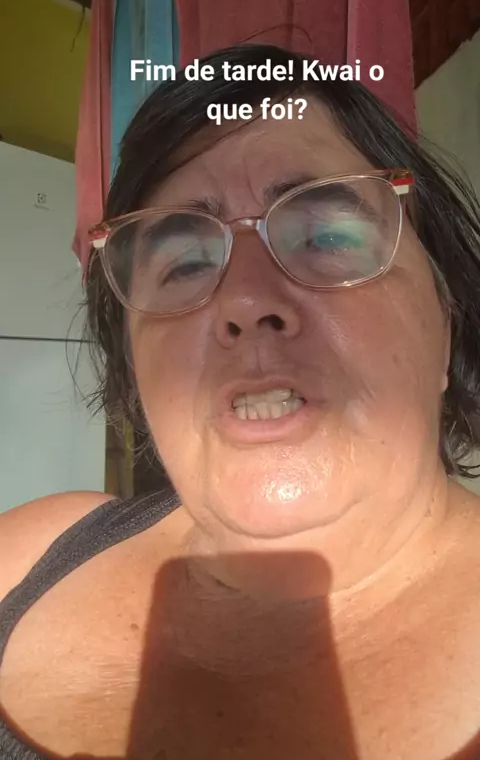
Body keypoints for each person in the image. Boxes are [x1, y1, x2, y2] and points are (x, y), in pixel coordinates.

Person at [2, 43, 480, 760]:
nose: (248, 300)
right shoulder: (23, 555)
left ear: (445, 317)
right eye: (185, 262)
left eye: (326, 235)